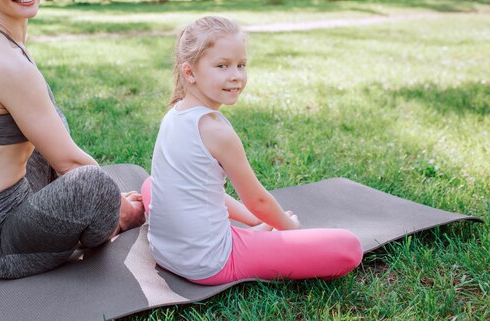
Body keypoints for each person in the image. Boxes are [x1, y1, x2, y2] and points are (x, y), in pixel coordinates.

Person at [0, 0, 145, 279]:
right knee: (93, 182)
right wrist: (120, 206)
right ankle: (116, 219)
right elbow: (69, 161)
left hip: (5, 208)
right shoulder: (5, 62)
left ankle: (100, 209)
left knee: (49, 126)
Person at [141, 16, 363, 285]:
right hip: (210, 262)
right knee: (348, 247)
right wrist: (288, 227)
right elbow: (257, 201)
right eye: (222, 66)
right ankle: (257, 233)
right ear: (190, 73)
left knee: (154, 184)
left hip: (164, 251)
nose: (235, 75)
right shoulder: (217, 131)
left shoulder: (174, 114)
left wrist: (254, 221)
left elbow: (204, 190)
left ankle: (254, 228)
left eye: (241, 65)